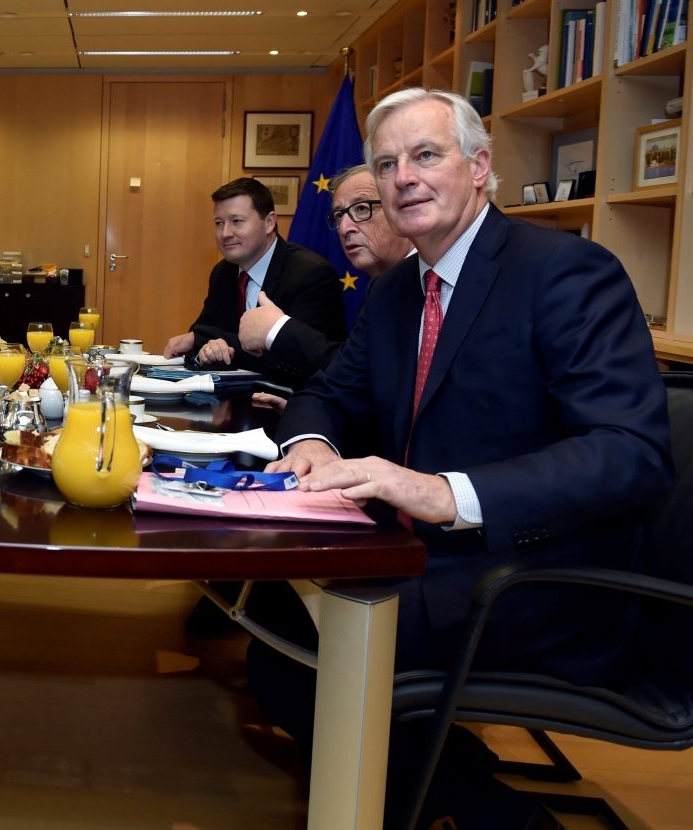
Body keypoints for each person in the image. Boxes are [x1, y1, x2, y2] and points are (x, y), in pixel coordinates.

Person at [253, 87, 673, 828]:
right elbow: (324, 394)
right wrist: (313, 441)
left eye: (426, 156)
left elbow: (629, 455)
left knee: (321, 644)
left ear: (479, 168)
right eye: (387, 165)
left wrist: (446, 493)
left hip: (539, 574)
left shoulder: (566, 272)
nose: (404, 178)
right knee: (277, 631)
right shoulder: (396, 295)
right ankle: (463, 787)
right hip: (428, 560)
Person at [237, 164, 413, 391]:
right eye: (339, 215)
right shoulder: (380, 288)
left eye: (361, 209)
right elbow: (358, 381)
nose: (345, 228)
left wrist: (276, 329)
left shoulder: (425, 284)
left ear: (401, 208)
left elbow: (364, 377)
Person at [161, 176, 345, 378]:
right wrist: (209, 345)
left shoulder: (310, 274)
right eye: (218, 223)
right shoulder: (223, 272)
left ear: (269, 223)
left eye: (237, 221)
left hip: (292, 400)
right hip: (230, 397)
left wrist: (214, 342)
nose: (225, 233)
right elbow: (201, 333)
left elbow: (297, 357)